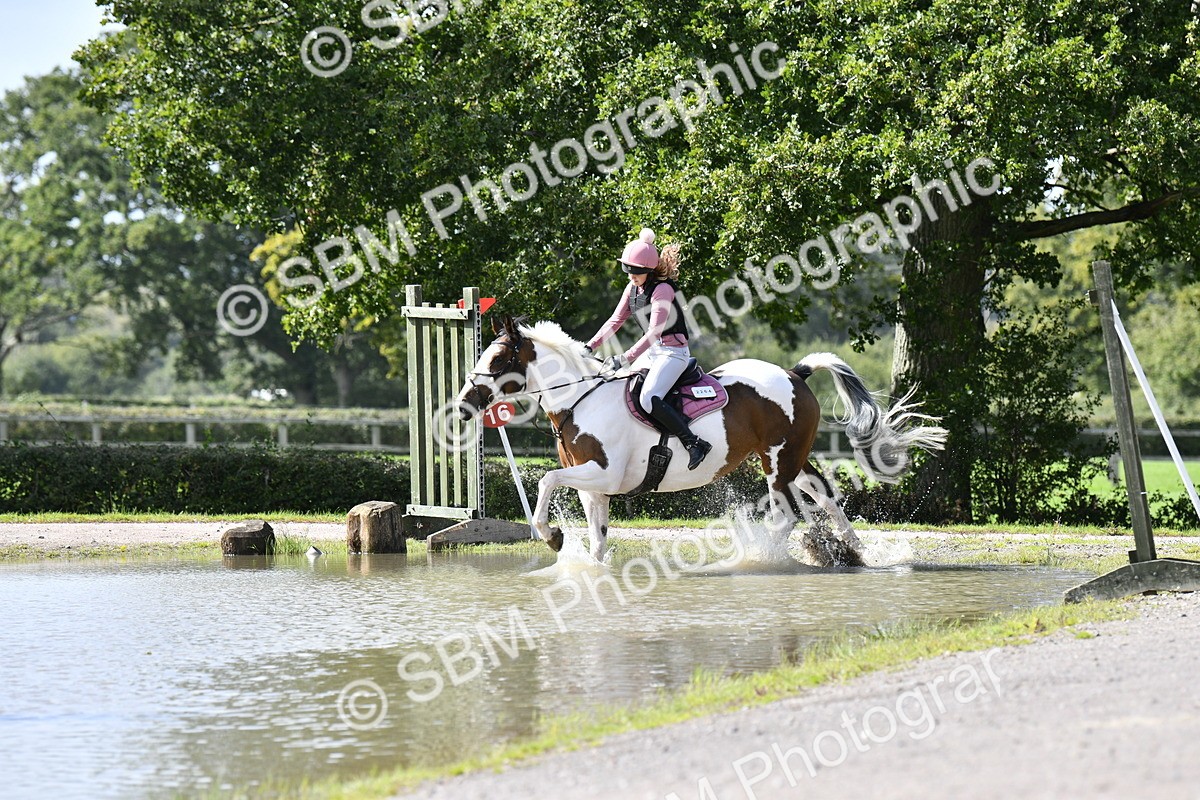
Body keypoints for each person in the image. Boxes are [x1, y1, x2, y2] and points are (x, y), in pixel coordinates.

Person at [585, 228, 712, 470]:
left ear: (648, 271)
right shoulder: (632, 288)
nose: (631, 275)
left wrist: (625, 357)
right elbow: (615, 320)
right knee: (621, 386)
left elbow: (654, 333)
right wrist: (589, 346)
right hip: (653, 353)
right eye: (629, 270)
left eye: (636, 271)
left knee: (649, 397)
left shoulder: (662, 290)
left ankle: (694, 443)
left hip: (673, 353)